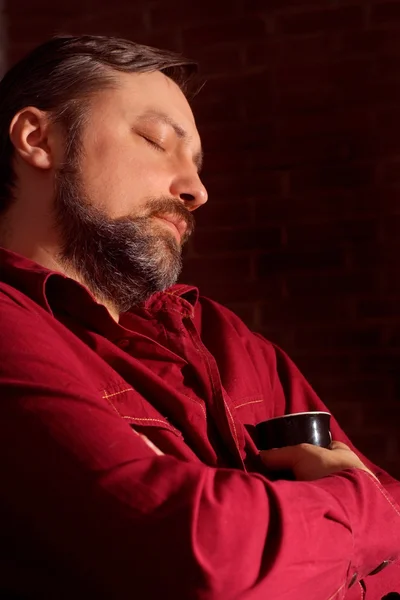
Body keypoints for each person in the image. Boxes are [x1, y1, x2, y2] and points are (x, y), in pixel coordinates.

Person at [0, 34, 398, 600]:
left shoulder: (222, 334)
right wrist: (357, 515)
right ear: (39, 138)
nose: (197, 190)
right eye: (156, 141)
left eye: (198, 164)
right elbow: (202, 555)